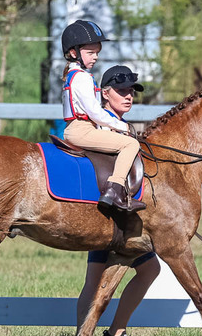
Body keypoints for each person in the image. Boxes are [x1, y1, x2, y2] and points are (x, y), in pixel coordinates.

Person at [76, 65, 160, 336]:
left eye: (131, 92)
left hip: (123, 217)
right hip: (109, 218)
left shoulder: (119, 124)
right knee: (98, 279)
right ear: (105, 93)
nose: (128, 97)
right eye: (121, 91)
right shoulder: (103, 125)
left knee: (148, 269)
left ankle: (108, 334)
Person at [60, 20, 145, 213]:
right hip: (81, 129)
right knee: (131, 144)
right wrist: (121, 126)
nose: (95, 57)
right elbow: (94, 112)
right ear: (74, 53)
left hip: (79, 127)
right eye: (90, 53)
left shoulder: (74, 75)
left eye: (97, 52)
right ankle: (113, 190)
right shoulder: (81, 77)